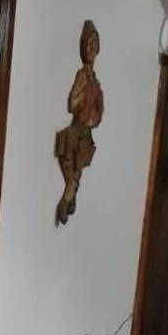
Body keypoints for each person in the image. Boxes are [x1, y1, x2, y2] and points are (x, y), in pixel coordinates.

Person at [54, 19, 103, 226]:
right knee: (71, 178)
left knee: (77, 176)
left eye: (94, 43)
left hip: (86, 136)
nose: (91, 47)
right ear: (83, 47)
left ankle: (70, 199)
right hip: (75, 132)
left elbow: (99, 111)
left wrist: (94, 116)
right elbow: (72, 105)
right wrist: (80, 92)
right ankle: (66, 201)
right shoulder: (81, 76)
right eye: (88, 43)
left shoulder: (96, 82)